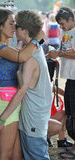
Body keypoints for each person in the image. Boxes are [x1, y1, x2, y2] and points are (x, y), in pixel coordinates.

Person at [0, 10, 52, 160]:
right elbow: (23, 54)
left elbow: (21, 91)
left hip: (31, 116)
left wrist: (2, 119)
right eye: (11, 24)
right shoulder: (31, 51)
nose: (14, 28)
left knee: (34, 155)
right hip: (24, 112)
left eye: (16, 25)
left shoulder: (30, 57)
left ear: (24, 30)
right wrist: (39, 39)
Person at [48, 7, 75, 159]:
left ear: (71, 19)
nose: (61, 27)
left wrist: (59, 53)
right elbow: (64, 49)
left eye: (63, 24)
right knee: (71, 113)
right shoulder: (65, 33)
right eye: (59, 24)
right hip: (70, 77)